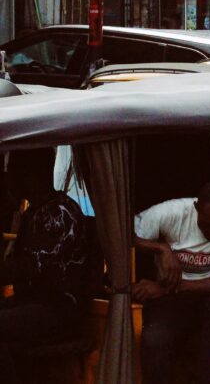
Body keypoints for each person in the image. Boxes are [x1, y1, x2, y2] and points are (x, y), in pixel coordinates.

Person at [134, 181, 210, 384]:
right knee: (154, 339)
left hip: (205, 292)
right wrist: (161, 248)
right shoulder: (171, 212)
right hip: (171, 299)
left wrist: (166, 289)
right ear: (196, 207)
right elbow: (124, 233)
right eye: (209, 225)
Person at [0, 151, 94, 384]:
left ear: (29, 174)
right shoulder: (33, 211)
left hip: (58, 308)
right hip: (33, 303)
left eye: (11, 171)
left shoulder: (60, 213)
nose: (7, 177)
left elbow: (31, 266)